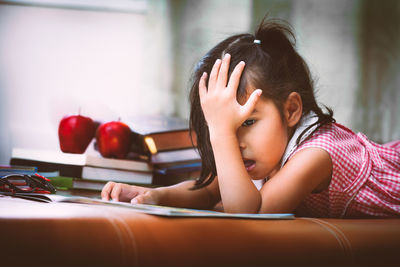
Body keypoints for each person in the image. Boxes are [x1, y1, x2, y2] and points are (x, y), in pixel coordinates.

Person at [101, 18, 400, 218]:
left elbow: (249, 214)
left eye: (247, 122)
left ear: (291, 110)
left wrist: (221, 133)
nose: (235, 141)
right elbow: (207, 189)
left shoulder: (316, 156)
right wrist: (153, 196)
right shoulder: (266, 147)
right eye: (222, 125)